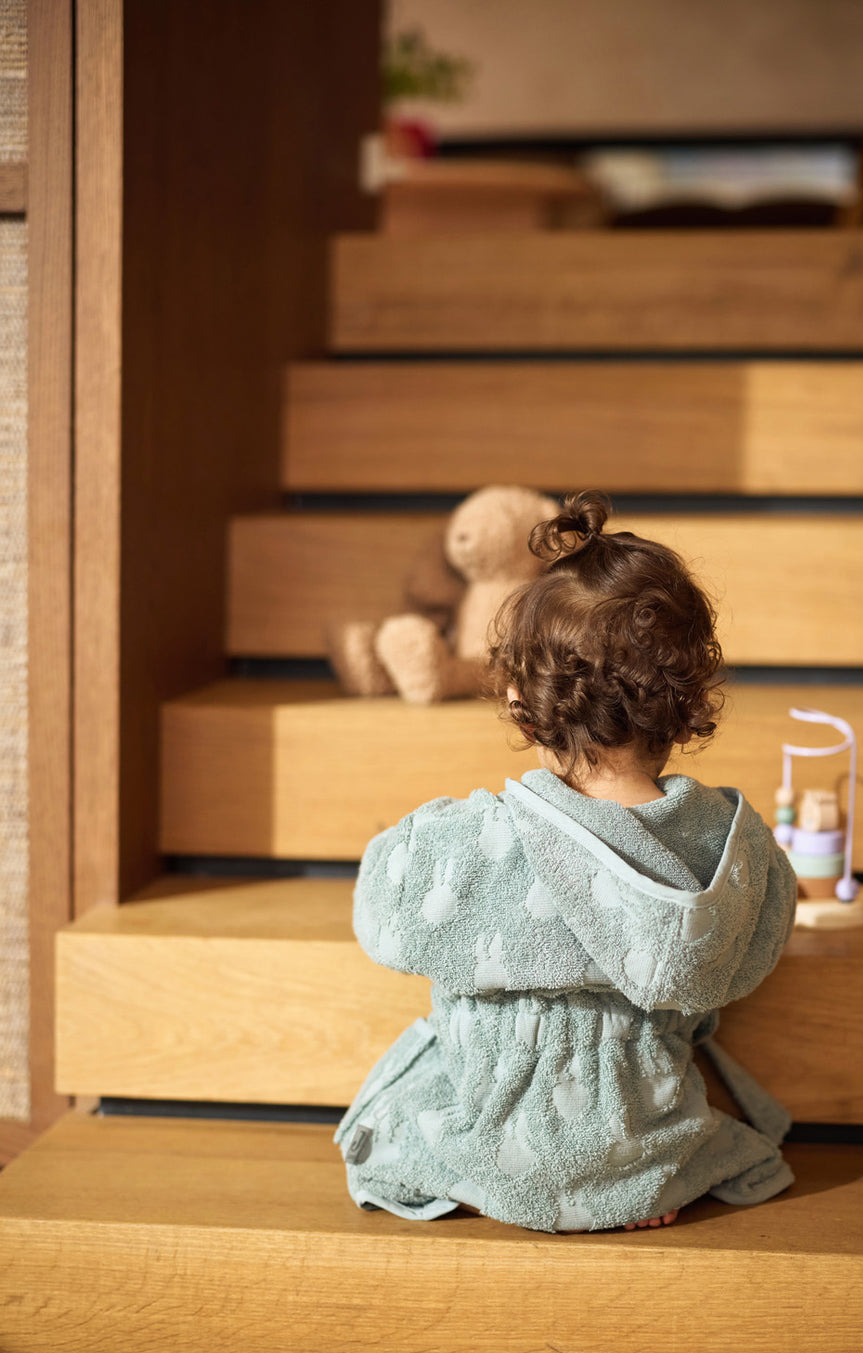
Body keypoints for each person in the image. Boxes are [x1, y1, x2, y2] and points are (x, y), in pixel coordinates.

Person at [335, 492, 797, 1234]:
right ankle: (627, 1184)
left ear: (522, 704)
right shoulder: (729, 847)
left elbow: (382, 916)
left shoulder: (477, 841)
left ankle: (500, 1181)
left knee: (407, 1126)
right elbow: (759, 946)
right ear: (687, 704)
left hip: (491, 1146)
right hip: (645, 1153)